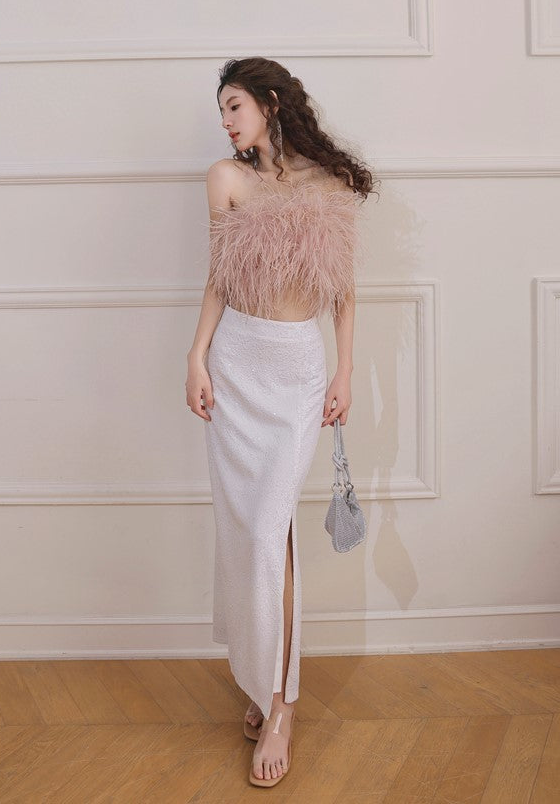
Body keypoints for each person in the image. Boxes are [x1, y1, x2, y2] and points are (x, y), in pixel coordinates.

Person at [185, 57, 375, 788]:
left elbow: (344, 292)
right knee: (245, 536)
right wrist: (196, 357)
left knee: (272, 533)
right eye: (221, 111)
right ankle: (261, 680)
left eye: (233, 106)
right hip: (236, 363)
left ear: (269, 102)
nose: (225, 122)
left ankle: (281, 705)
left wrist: (344, 372)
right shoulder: (225, 179)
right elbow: (219, 278)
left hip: (296, 370)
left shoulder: (329, 184)